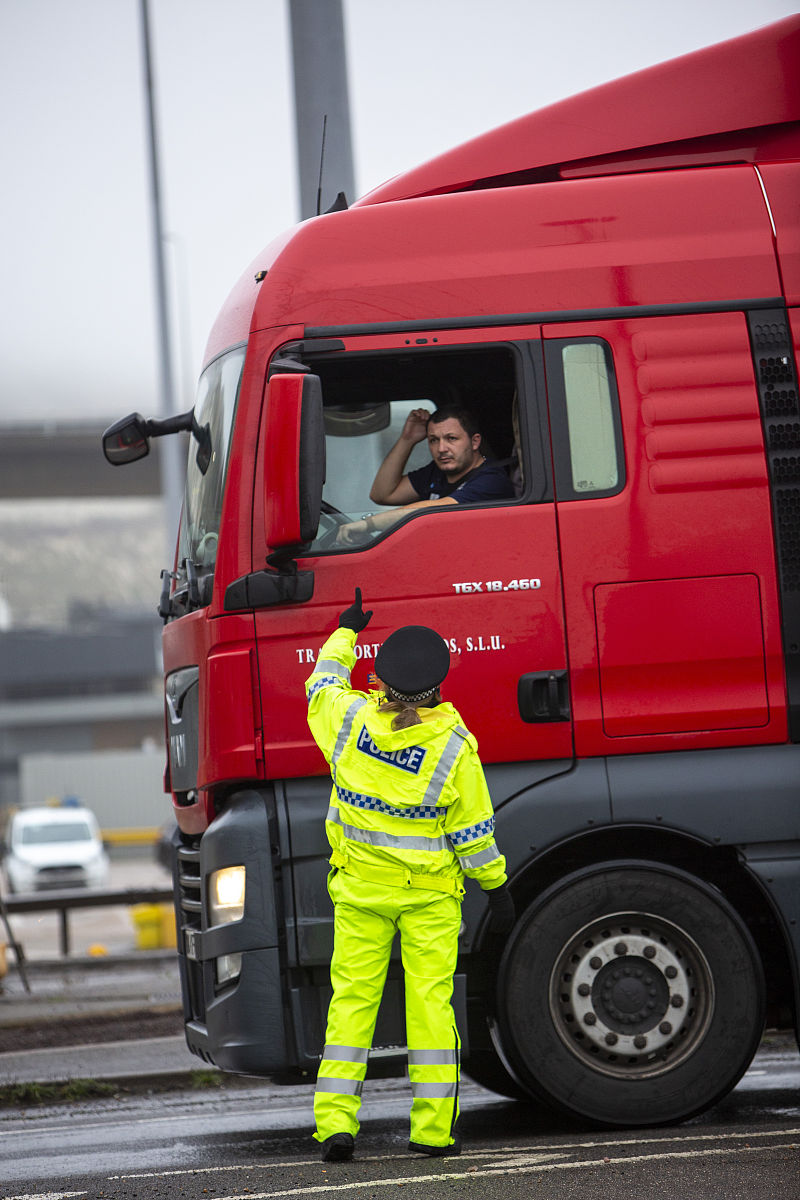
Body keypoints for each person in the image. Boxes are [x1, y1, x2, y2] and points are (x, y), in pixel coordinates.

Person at [305, 588, 516, 1162]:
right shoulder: (454, 748)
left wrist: (346, 632)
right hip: (429, 901)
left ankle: (336, 1126)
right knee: (430, 1005)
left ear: (380, 680)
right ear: (438, 686)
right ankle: (429, 1131)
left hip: (359, 892)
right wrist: (496, 888)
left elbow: (320, 684)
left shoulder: (347, 721)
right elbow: (474, 836)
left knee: (351, 1003)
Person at [335, 406, 515, 545]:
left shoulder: (491, 479)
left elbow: (432, 510)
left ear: (475, 442)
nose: (441, 449)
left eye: (451, 438)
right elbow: (383, 494)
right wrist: (408, 439)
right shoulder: (437, 472)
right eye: (433, 440)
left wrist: (368, 524)